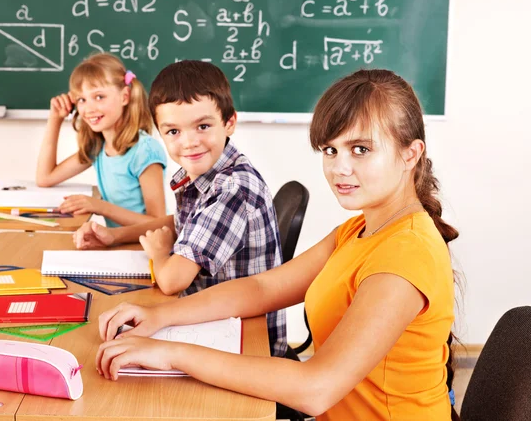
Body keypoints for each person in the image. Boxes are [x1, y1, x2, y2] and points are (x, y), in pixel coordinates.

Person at [94, 69, 461, 420]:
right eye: (330, 151)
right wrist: (160, 316)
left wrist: (171, 353)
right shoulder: (359, 230)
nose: (339, 168)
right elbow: (263, 287)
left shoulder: (406, 253)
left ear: (410, 154)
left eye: (360, 149)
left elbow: (316, 388)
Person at [73, 60, 287, 358]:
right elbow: (180, 224)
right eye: (173, 131)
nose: (189, 142)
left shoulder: (233, 187)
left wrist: (160, 254)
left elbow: (173, 281)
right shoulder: (203, 173)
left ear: (229, 123)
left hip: (244, 341)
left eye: (202, 126)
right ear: (160, 133)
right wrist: (115, 236)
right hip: (208, 317)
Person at [36, 52, 167, 227]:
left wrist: (99, 206)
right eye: (81, 99)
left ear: (125, 96)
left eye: (99, 97)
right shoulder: (98, 148)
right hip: (115, 243)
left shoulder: (144, 151)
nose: (89, 108)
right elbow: (45, 178)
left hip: (141, 249)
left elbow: (158, 224)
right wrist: (55, 119)